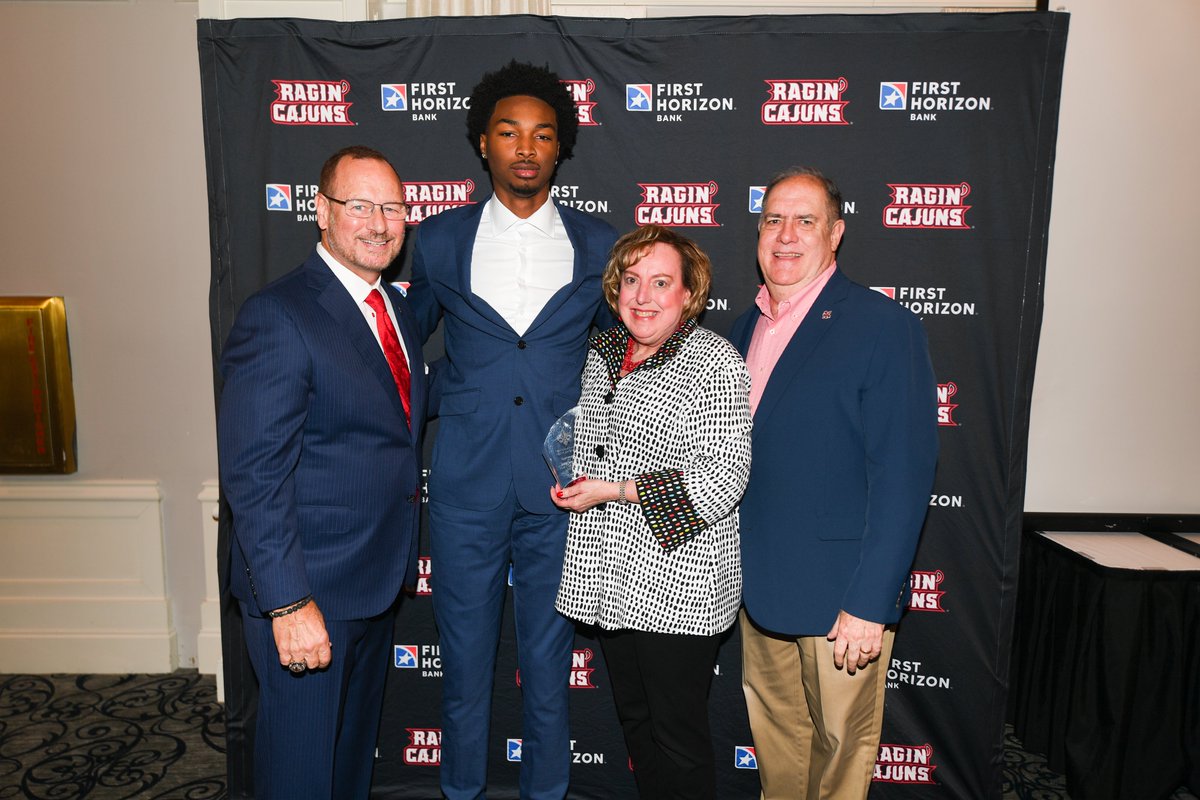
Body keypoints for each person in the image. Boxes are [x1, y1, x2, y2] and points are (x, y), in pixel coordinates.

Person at [407, 61, 618, 800]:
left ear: (560, 149)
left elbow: (623, 358)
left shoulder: (600, 247)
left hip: (563, 493)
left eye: (543, 134)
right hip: (465, 486)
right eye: (508, 131)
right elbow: (404, 354)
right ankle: (461, 792)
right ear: (482, 143)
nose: (526, 147)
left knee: (549, 671)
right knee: (462, 669)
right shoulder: (437, 243)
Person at [217, 146, 426, 800]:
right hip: (307, 597)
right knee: (300, 779)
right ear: (321, 212)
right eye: (358, 205)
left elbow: (389, 423)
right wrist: (287, 602)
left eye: (392, 207)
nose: (378, 222)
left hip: (371, 583)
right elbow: (254, 476)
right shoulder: (278, 316)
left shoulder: (393, 307)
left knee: (346, 771)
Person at [729, 166, 939, 800]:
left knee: (841, 765)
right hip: (758, 588)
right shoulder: (744, 329)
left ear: (836, 234)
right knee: (779, 751)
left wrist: (871, 603)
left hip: (841, 603)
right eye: (773, 220)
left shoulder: (882, 326)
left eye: (805, 221)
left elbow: (904, 477)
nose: (786, 235)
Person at [553, 224, 752, 800]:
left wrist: (613, 490)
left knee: (678, 739)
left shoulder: (713, 360)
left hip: (678, 586)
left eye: (661, 283)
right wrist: (574, 484)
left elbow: (721, 480)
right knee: (637, 725)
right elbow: (597, 443)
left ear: (689, 295)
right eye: (632, 280)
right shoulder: (606, 351)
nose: (642, 296)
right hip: (610, 577)